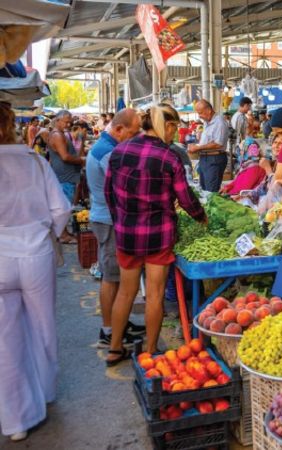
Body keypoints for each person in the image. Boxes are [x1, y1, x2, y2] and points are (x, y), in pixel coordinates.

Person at [104, 104, 207, 364]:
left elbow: (109, 194)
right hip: (158, 235)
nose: (175, 134)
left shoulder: (119, 151)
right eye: (175, 128)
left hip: (127, 234)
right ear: (167, 126)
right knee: (155, 294)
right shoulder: (168, 157)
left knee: (125, 292)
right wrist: (200, 216)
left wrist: (120, 222)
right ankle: (150, 351)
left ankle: (115, 348)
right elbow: (185, 197)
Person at [0, 102, 71, 442]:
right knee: (43, 326)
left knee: (5, 338)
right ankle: (44, 392)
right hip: (36, 253)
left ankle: (16, 419)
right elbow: (61, 209)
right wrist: (48, 234)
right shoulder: (34, 161)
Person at [85, 108, 145, 349]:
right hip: (109, 220)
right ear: (119, 129)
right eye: (133, 132)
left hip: (107, 217)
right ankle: (109, 332)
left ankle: (119, 323)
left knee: (117, 277)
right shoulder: (108, 153)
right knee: (110, 277)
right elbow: (125, 188)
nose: (136, 137)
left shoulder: (106, 146)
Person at [47, 110, 85, 241]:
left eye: (70, 122)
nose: (68, 125)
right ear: (58, 120)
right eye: (66, 122)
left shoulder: (60, 134)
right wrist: (82, 160)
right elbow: (65, 157)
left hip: (65, 175)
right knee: (63, 207)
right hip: (64, 176)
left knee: (65, 206)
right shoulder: (57, 135)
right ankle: (62, 234)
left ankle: (64, 232)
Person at [189, 99, 229, 192]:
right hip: (205, 159)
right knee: (203, 191)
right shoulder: (207, 122)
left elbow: (218, 144)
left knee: (210, 192)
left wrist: (198, 147)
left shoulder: (219, 122)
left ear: (209, 110)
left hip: (214, 159)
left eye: (200, 113)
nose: (199, 116)